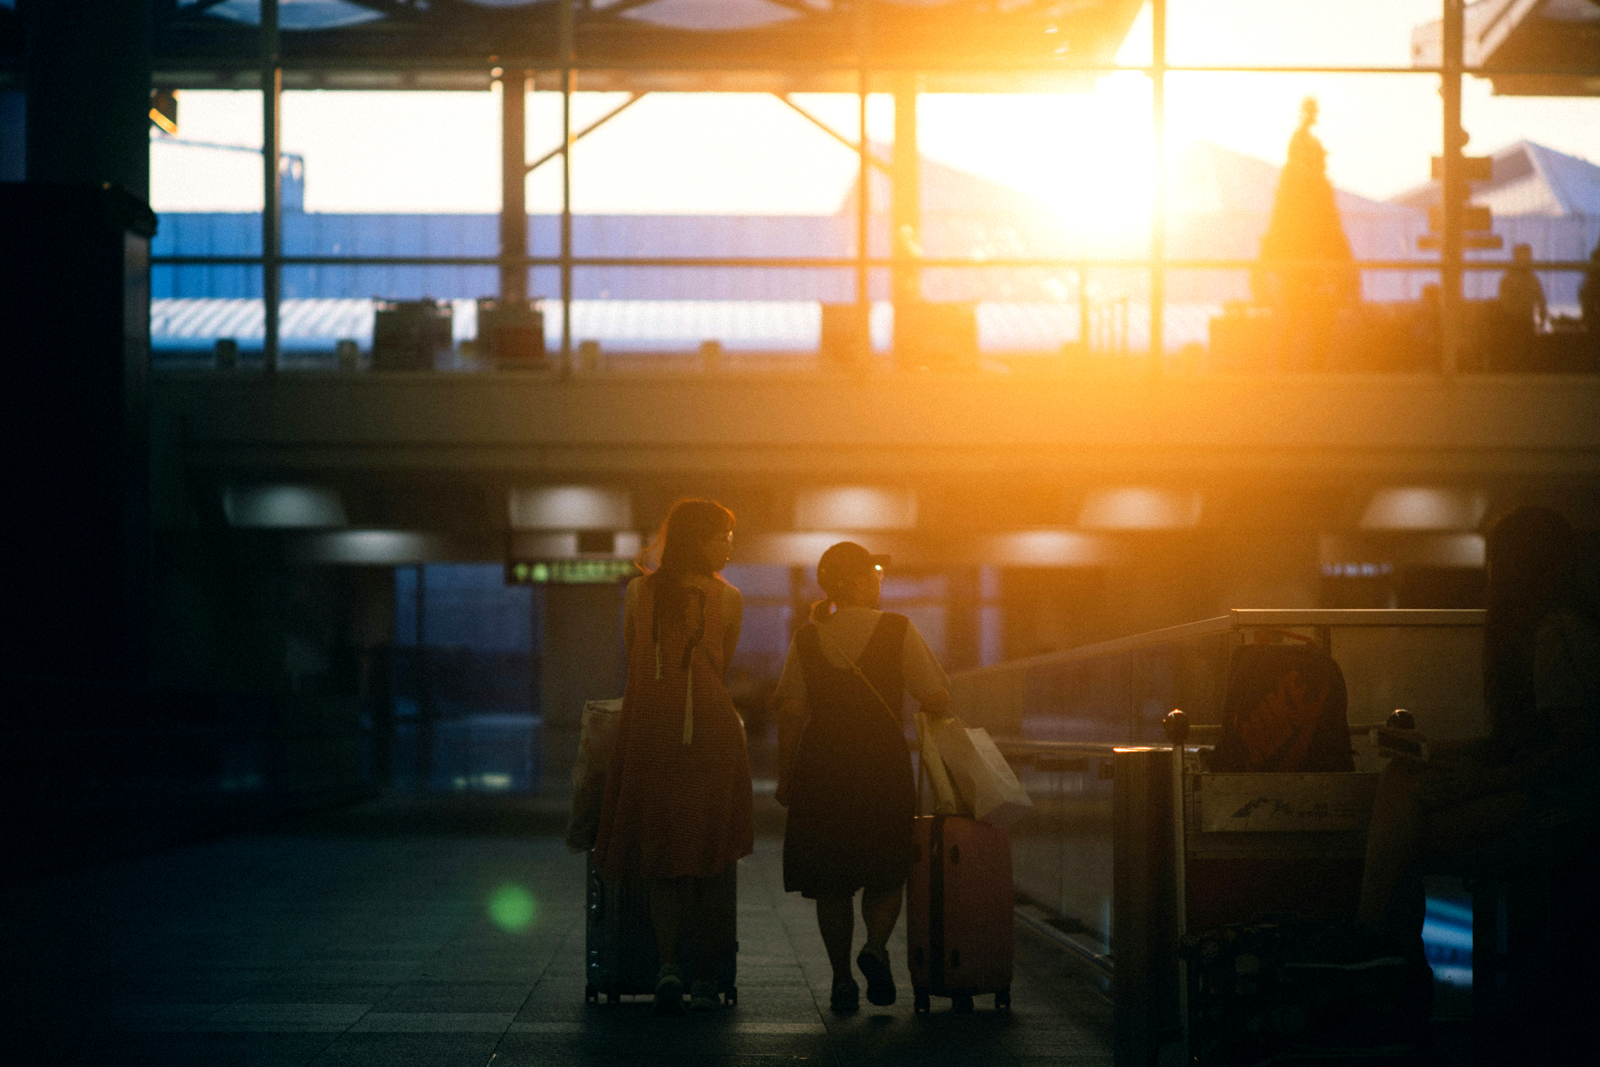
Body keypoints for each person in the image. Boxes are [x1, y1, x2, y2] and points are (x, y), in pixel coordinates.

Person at [1357, 507, 1598, 940]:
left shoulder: (1556, 634)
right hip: (1539, 785)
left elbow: (1571, 756)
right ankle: (1379, 940)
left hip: (1561, 798)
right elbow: (1531, 741)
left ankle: (1374, 936)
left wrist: (1478, 784)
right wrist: (1438, 750)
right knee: (1403, 784)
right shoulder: (1555, 627)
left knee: (1410, 832)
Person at [773, 541, 952, 1014]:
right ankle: (874, 946)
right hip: (880, 761)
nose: (880, 579)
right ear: (856, 581)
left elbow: (790, 710)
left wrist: (785, 774)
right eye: (874, 571)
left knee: (831, 881)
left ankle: (839, 980)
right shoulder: (897, 628)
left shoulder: (808, 637)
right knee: (887, 866)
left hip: (822, 763)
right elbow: (935, 696)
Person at [594, 499, 752, 1016]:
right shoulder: (728, 599)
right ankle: (705, 974)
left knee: (662, 849)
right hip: (711, 725)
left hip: (651, 724)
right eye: (721, 535)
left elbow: (631, 653)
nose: (729, 544)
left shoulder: (640, 592)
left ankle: (666, 964)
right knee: (708, 849)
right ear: (696, 539)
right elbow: (721, 663)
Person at [1497, 243, 1548, 333]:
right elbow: (1541, 301)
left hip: (1517, 323)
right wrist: (1542, 320)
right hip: (1517, 323)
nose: (1529, 260)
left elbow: (1541, 301)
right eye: (1526, 257)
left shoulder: (1508, 279)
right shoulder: (1531, 279)